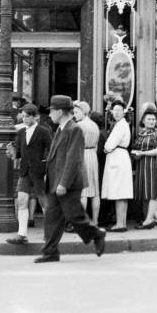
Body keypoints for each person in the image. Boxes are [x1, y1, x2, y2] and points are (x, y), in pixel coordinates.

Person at [35, 95, 105, 263]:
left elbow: (73, 159)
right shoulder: (60, 129)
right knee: (52, 219)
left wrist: (63, 183)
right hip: (55, 183)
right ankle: (50, 252)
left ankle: (97, 234)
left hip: (67, 184)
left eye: (51, 110)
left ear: (60, 111)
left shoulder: (74, 129)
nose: (49, 114)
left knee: (75, 216)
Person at [6, 103, 52, 245]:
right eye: (23, 116)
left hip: (39, 171)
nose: (24, 119)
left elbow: (50, 151)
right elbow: (19, 153)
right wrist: (12, 152)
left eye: (27, 116)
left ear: (35, 117)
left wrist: (46, 168)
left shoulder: (44, 131)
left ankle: (50, 233)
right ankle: (22, 234)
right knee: (22, 201)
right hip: (25, 170)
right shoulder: (20, 133)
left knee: (44, 202)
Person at [101, 100, 133, 232]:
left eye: (119, 110)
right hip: (120, 157)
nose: (116, 112)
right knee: (121, 191)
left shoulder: (120, 125)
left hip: (117, 157)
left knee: (119, 191)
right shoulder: (122, 124)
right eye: (115, 110)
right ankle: (121, 222)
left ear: (124, 112)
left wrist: (106, 148)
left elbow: (109, 145)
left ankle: (120, 224)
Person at [132, 108, 157, 229]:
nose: (151, 121)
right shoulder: (141, 134)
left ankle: (149, 220)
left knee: (152, 192)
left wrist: (143, 153)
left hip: (152, 165)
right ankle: (147, 218)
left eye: (153, 119)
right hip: (141, 165)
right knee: (144, 192)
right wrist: (135, 153)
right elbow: (136, 148)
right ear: (143, 121)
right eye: (149, 119)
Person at [74, 101, 101, 226]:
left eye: (77, 112)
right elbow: (96, 144)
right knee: (95, 192)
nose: (75, 115)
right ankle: (95, 221)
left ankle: (81, 223)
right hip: (92, 156)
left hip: (83, 155)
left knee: (83, 192)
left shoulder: (79, 125)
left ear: (84, 112)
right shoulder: (94, 125)